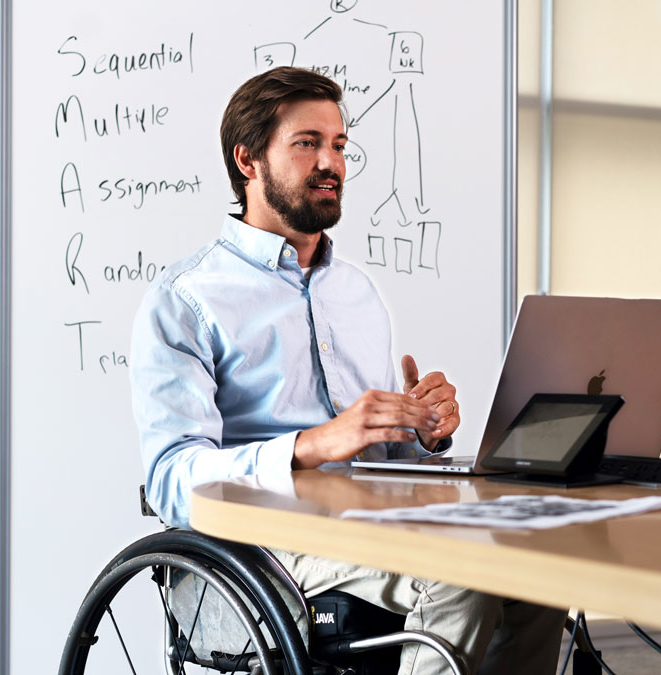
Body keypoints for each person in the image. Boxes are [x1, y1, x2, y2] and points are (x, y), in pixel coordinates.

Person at [130, 66, 565, 674]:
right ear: (248, 161)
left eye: (338, 145)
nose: (330, 162)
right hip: (262, 549)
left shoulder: (358, 293)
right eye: (306, 143)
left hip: (365, 528)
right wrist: (310, 446)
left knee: (539, 567)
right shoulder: (186, 298)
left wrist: (422, 431)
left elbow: (381, 462)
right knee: (466, 571)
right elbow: (172, 481)